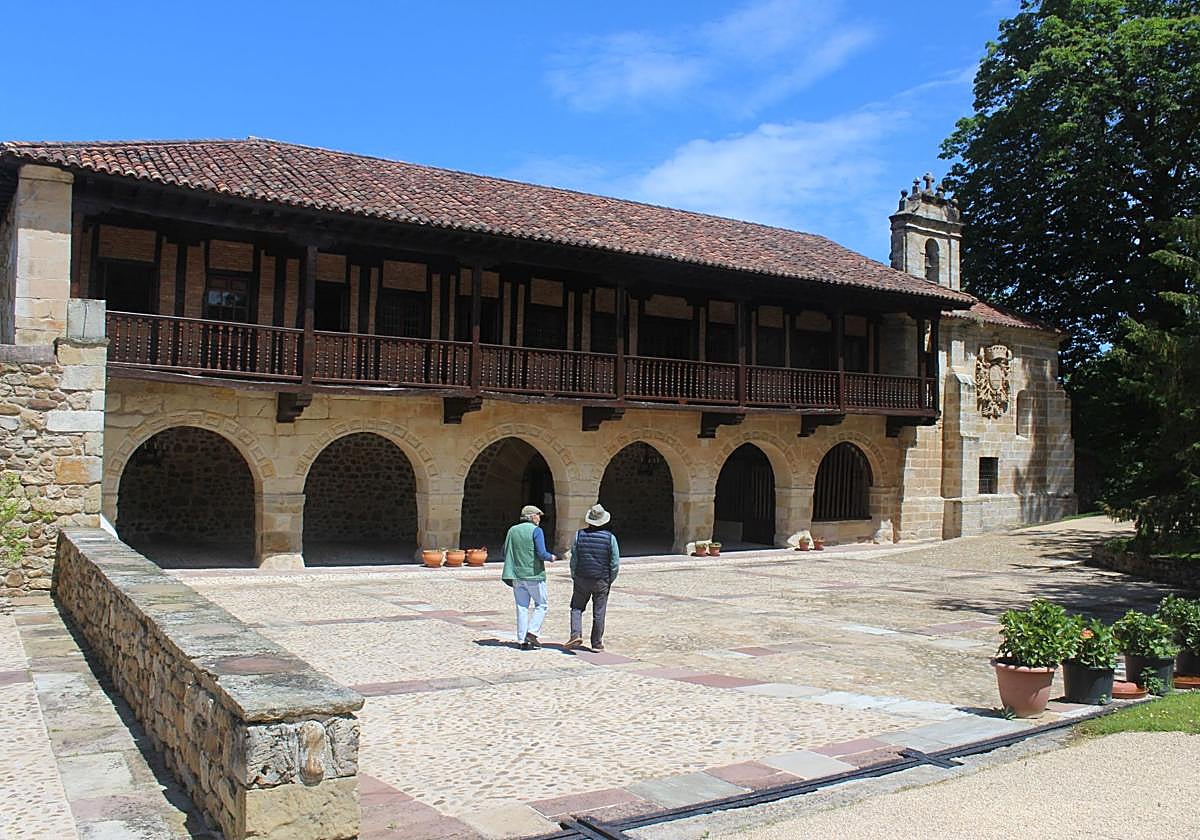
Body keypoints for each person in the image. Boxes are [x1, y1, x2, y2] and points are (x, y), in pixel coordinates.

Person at [501, 504, 557, 650]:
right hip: (534, 575)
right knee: (542, 604)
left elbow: (504, 550)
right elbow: (541, 553)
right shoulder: (536, 531)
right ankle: (532, 631)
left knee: (522, 607)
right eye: (538, 515)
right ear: (532, 517)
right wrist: (551, 557)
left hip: (517, 575)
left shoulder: (512, 530)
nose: (539, 518)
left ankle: (521, 640)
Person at [565, 503, 619, 651]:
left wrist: (574, 575)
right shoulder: (610, 538)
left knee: (576, 607)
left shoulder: (578, 535)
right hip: (601, 579)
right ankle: (596, 643)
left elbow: (574, 558)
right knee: (599, 611)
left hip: (582, 577)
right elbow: (614, 563)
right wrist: (609, 579)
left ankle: (575, 634)